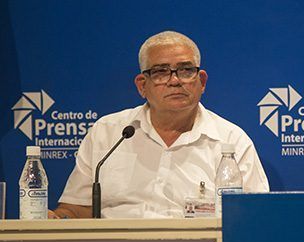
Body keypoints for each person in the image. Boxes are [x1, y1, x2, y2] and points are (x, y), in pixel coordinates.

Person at [51, 31, 269, 219]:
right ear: (142, 86)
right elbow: (78, 208)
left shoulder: (231, 140)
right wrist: (57, 218)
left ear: (201, 82)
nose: (175, 80)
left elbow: (255, 214)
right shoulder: (107, 132)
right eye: (161, 72)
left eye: (185, 70)